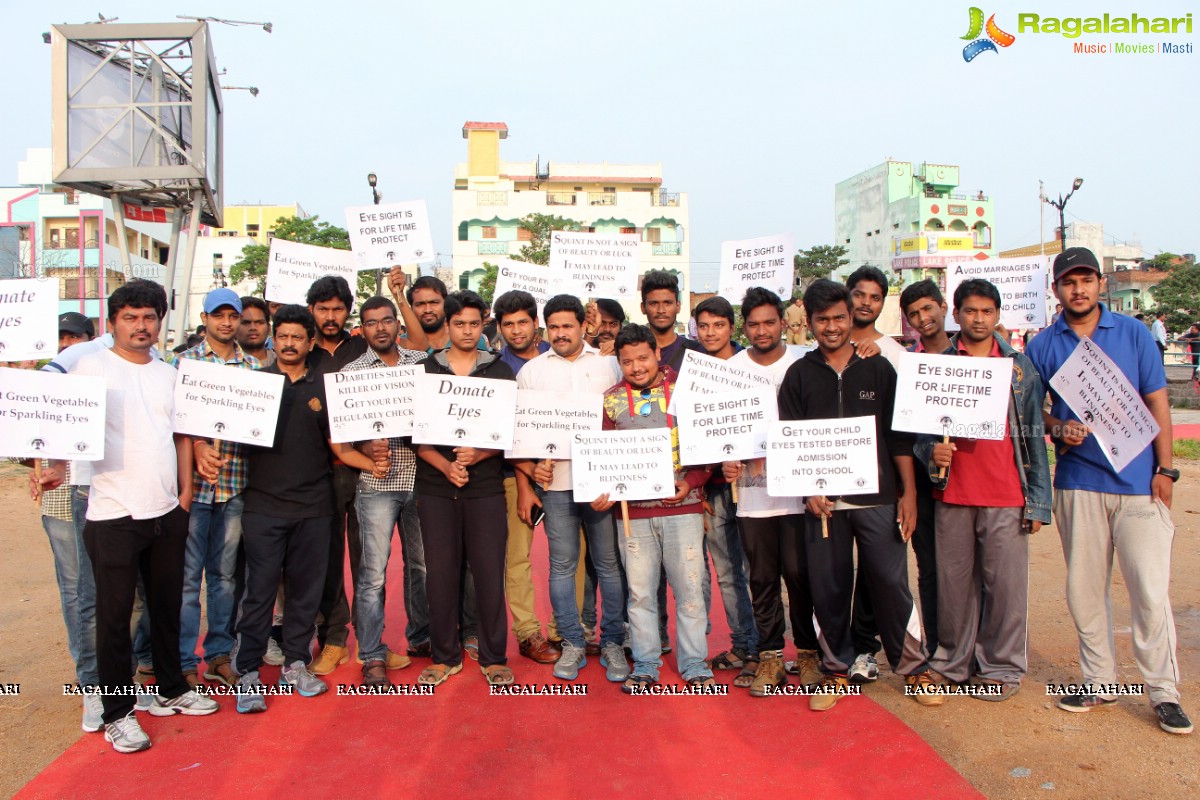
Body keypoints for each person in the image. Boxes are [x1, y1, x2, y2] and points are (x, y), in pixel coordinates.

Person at [40, 280, 219, 753]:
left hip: (166, 511)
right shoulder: (88, 369)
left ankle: (172, 689)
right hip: (111, 511)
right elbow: (61, 424)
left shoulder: (169, 372)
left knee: (165, 607)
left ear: (160, 322)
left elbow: (181, 435)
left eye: (149, 317)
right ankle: (118, 712)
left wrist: (183, 497)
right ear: (113, 322)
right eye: (130, 317)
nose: (141, 326)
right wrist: (54, 465)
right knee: (113, 617)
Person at [1026, 247, 1192, 735]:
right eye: (1068, 282)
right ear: (1055, 289)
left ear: (1100, 283)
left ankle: (1163, 692)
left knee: (1149, 591)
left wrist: (1166, 468)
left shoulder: (1135, 334)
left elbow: (1157, 400)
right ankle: (1099, 681)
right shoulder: (1043, 345)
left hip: (1140, 484)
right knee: (1084, 591)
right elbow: (1034, 414)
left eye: (1086, 280)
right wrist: (1058, 428)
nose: (1078, 290)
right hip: (1079, 482)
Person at [780, 279, 941, 711]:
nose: (831, 327)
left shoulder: (879, 367)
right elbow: (791, 441)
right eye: (822, 320)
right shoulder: (798, 374)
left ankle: (913, 667)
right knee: (829, 587)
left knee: (891, 584)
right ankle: (835, 670)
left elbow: (899, 438)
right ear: (809, 324)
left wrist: (907, 494)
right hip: (825, 507)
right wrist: (807, 491)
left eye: (839, 318)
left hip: (878, 498)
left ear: (852, 319)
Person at [230, 305, 387, 712]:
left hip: (315, 507)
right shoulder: (255, 385)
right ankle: (247, 670)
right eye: (281, 336)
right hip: (263, 507)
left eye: (297, 337)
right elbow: (230, 438)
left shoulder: (326, 388)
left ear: (309, 342)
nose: (288, 343)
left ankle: (297, 662)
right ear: (272, 339)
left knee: (305, 592)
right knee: (260, 591)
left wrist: (373, 462)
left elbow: (340, 447)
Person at [915, 279, 1051, 701]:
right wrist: (929, 452)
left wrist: (1038, 502)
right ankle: (952, 663)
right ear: (955, 314)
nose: (978, 319)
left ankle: (1002, 668)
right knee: (954, 587)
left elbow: (1033, 438)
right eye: (970, 311)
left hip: (1007, 494)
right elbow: (917, 434)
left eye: (987, 312)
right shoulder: (937, 363)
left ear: (997, 316)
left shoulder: (1019, 368)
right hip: (952, 493)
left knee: (1005, 589)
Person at [597, 324, 715, 692]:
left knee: (691, 590)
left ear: (657, 354)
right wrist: (601, 491)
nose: (636, 367)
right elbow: (600, 455)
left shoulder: (685, 391)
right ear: (619, 363)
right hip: (633, 516)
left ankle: (694, 663)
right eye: (627, 361)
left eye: (642, 358)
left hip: (683, 509)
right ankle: (646, 663)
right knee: (641, 593)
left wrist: (692, 482)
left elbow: (706, 446)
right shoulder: (611, 400)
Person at [519, 295, 627, 681]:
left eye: (568, 325)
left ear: (585, 326)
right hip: (558, 486)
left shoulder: (610, 365)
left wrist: (618, 477)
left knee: (609, 565)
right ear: (546, 329)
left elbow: (625, 422)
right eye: (554, 327)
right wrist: (531, 470)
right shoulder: (531, 372)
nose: (561, 333)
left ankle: (613, 642)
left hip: (601, 486)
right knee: (561, 566)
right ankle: (572, 642)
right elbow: (521, 432)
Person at [414, 291, 515, 687]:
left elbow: (507, 434)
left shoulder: (499, 371)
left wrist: (479, 455)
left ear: (484, 324)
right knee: (439, 575)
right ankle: (445, 657)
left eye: (475, 324)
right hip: (437, 489)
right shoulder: (427, 370)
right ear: (447, 324)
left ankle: (493, 657)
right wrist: (446, 466)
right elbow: (418, 438)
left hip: (486, 488)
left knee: (489, 573)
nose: (468, 331)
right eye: (460, 324)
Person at [720, 288, 816, 695]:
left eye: (769, 322)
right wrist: (722, 458)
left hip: (799, 495)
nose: (761, 330)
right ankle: (771, 657)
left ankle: (809, 655)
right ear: (745, 326)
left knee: (800, 576)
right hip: (751, 497)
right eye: (754, 324)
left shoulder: (805, 362)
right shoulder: (730, 369)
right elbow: (717, 428)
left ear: (784, 322)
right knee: (760, 579)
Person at [174, 288, 261, 690]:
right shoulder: (183, 364)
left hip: (234, 486)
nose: (226, 323)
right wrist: (196, 444)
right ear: (205, 319)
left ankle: (219, 654)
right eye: (218, 315)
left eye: (233, 316)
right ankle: (181, 659)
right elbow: (170, 423)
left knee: (225, 577)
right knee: (188, 579)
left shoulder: (254, 370)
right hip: (192, 489)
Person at [345, 297, 428, 687]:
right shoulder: (353, 372)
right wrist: (365, 448)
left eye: (386, 321)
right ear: (361, 328)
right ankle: (372, 653)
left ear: (397, 324)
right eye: (371, 322)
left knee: (423, 567)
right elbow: (343, 438)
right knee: (373, 575)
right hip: (376, 484)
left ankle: (421, 637)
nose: (380, 328)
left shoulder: (420, 366)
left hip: (421, 478)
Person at [23, 312, 100, 732]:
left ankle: (118, 674)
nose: (68, 344)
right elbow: (26, 440)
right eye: (61, 338)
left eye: (76, 337)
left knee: (108, 591)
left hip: (98, 494)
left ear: (90, 342)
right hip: (57, 498)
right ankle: (87, 679)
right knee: (75, 592)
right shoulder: (42, 388)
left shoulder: (99, 385)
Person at [303, 276, 370, 675]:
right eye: (323, 309)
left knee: (368, 560)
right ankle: (331, 639)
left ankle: (370, 637)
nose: (331, 317)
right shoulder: (300, 350)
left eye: (338, 309)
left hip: (363, 470)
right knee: (326, 560)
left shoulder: (362, 346)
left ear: (348, 310)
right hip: (317, 473)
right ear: (311, 309)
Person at [492, 290, 561, 665]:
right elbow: (503, 432)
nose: (516, 330)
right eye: (508, 324)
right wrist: (524, 481)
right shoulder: (495, 368)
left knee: (569, 556)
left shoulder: (558, 355)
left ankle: (565, 628)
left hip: (564, 475)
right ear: (499, 327)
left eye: (523, 321)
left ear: (536, 323)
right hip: (513, 477)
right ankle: (528, 632)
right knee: (517, 558)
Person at [689, 296, 757, 673]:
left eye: (718, 325)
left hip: (752, 484)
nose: (711, 332)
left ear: (731, 327)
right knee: (726, 571)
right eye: (704, 326)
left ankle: (765, 647)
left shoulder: (750, 365)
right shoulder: (692, 371)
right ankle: (743, 644)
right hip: (711, 486)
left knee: (759, 570)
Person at [641, 270, 704, 373]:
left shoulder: (697, 352)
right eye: (654, 303)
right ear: (643, 308)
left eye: (667, 303)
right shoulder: (631, 353)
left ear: (678, 306)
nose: (661, 310)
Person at [238, 296, 275, 366]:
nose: (253, 328)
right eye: (246, 323)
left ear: (269, 328)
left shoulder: (281, 362)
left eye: (259, 322)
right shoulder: (222, 364)